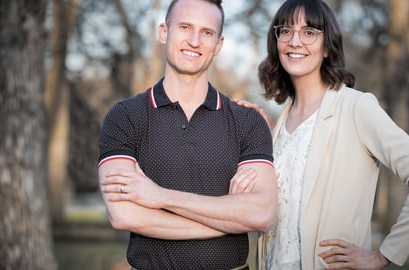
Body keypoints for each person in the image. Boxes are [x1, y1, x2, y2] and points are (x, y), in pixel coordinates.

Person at [238, 0, 409, 269]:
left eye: (309, 32)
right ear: (276, 40)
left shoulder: (356, 107)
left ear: (327, 47)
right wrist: (254, 134)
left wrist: (383, 255)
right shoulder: (282, 122)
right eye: (286, 30)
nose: (295, 41)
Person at [97, 0, 277, 269]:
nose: (194, 41)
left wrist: (159, 196)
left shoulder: (247, 121)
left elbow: (262, 214)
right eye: (184, 27)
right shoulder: (126, 116)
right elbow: (124, 215)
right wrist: (231, 218)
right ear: (163, 32)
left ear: (218, 44)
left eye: (207, 32)